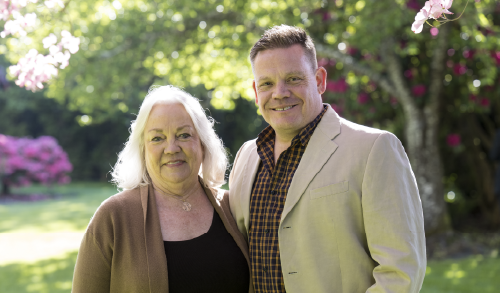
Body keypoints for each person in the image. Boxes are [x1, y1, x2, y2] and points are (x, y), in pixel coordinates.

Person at [229, 25, 426, 292]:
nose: (279, 93)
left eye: (294, 79)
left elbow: (400, 272)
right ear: (255, 91)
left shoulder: (375, 149)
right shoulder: (245, 157)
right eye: (267, 83)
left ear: (320, 80)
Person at [72, 86, 252, 293]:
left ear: (202, 144)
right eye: (157, 138)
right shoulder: (113, 217)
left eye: (184, 135)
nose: (171, 148)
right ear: (143, 150)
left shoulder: (233, 207)